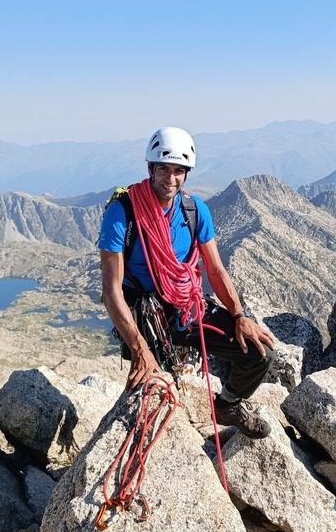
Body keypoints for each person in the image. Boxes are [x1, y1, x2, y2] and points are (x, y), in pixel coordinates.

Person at [98, 126, 275, 439]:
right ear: (150, 169)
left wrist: (239, 316)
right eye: (163, 169)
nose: (171, 179)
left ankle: (228, 405)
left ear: (187, 173)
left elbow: (216, 270)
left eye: (179, 171)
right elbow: (112, 292)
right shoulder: (122, 213)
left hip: (186, 308)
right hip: (145, 315)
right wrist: (140, 349)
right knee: (151, 391)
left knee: (260, 354)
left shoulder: (195, 211)